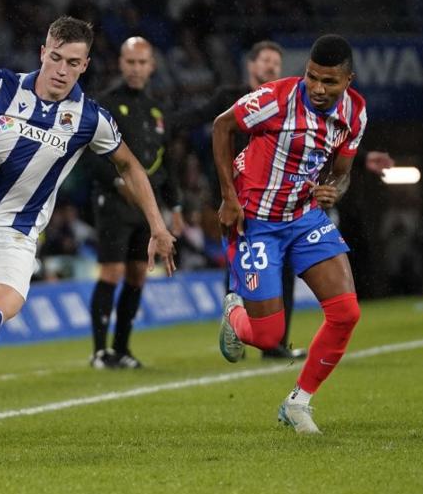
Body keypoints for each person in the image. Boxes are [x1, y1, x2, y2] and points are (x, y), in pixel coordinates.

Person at [0, 17, 176, 441]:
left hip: (15, 238)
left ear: (85, 65)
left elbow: (129, 165)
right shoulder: (2, 87)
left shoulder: (88, 118)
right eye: (56, 58)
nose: (61, 70)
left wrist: (157, 225)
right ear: (43, 52)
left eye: (73, 62)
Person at [214, 34, 384, 434]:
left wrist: (332, 191)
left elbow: (339, 175)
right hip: (256, 221)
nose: (319, 89)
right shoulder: (275, 98)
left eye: (330, 82)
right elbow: (222, 127)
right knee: (268, 335)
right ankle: (234, 312)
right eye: (312, 78)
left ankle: (298, 401)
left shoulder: (355, 114)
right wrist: (227, 198)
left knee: (346, 312)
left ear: (349, 80)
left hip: (305, 217)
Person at [171, 40, 306, 359]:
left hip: (276, 200)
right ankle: (234, 334)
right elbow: (198, 116)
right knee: (237, 267)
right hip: (238, 198)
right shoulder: (230, 98)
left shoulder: (287, 101)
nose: (272, 67)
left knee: (283, 266)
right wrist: (160, 122)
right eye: (267, 61)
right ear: (251, 64)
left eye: (276, 62)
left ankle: (275, 343)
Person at [88, 37, 183, 369]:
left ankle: (123, 349)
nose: (136, 68)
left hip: (146, 206)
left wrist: (177, 206)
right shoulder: (105, 103)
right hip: (113, 202)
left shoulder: (158, 110)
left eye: (142, 63)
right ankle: (100, 352)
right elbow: (92, 153)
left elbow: (166, 162)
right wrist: (116, 182)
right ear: (120, 63)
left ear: (152, 66)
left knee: (138, 274)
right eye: (131, 62)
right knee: (112, 271)